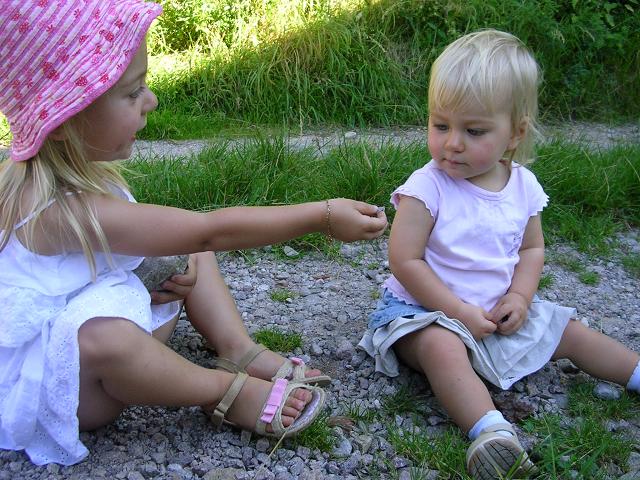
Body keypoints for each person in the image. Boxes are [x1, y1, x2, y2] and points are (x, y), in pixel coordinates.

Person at [0, 0, 388, 466]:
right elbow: (210, 231)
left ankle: (237, 348)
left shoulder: (78, 176)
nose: (152, 101)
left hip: (96, 323)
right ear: (63, 120)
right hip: (71, 386)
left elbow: (76, 272)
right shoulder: (56, 212)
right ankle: (221, 389)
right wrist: (321, 216)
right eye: (131, 92)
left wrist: (154, 274)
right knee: (117, 327)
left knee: (184, 253)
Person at [358, 29, 640, 479]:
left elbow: (531, 249)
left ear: (515, 134)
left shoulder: (523, 185)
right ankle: (491, 433)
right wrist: (456, 310)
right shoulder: (427, 188)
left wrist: (522, 298)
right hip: (423, 310)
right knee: (441, 348)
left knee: (567, 330)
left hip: (494, 311)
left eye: (474, 130)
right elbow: (405, 261)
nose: (452, 143)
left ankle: (635, 372)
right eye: (440, 124)